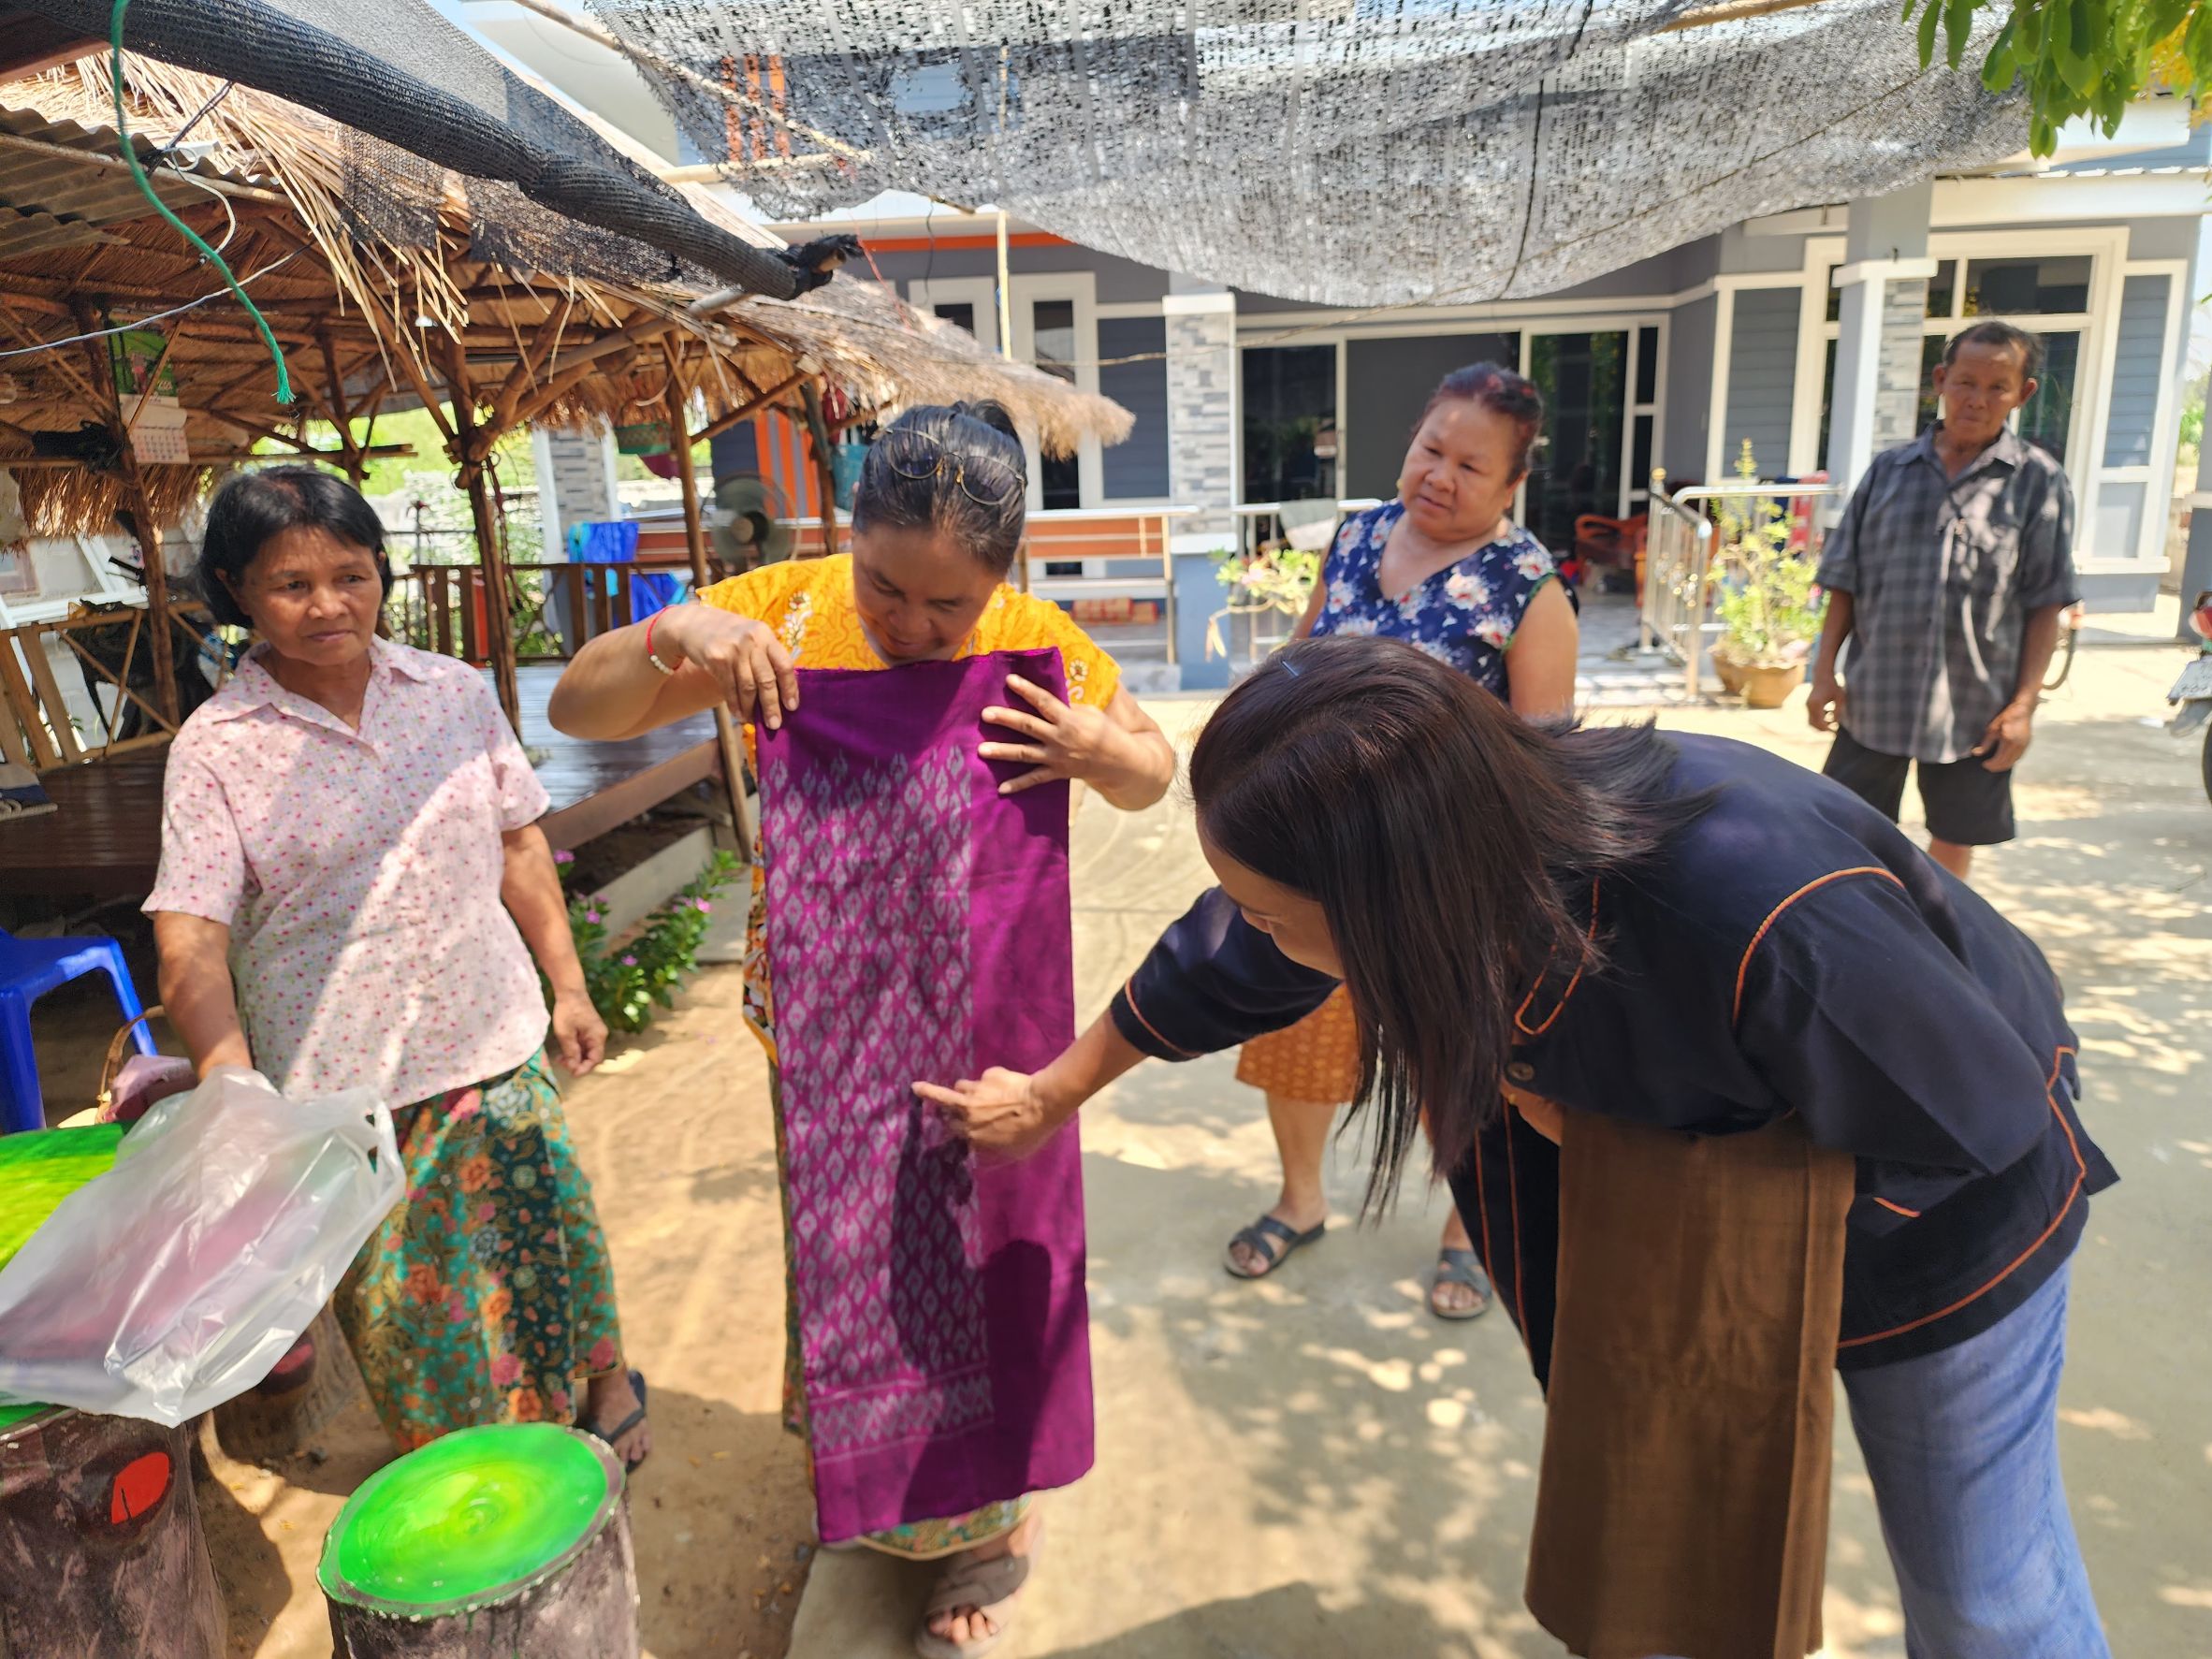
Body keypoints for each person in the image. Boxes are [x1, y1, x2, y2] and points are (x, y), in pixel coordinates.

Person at [924, 635, 2114, 1659]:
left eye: (1279, 917)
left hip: (1942, 1223)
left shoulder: (1758, 907)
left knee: (1982, 1594)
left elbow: (1976, 1125)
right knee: (1663, 1546)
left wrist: (1693, 1200)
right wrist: (1053, 1094)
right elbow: (1229, 958)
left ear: (1394, 902)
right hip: (1688, 1223)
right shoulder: (1421, 848)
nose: (1261, 935)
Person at [548, 401, 1175, 1658]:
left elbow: (1154, 772)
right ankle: (879, 1492)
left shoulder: (1032, 642)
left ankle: (988, 1532)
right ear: (850, 535)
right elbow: (579, 710)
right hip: (824, 1043)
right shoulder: (778, 618)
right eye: (886, 586)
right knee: (853, 1271)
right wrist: (677, 630)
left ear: (1001, 577)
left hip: (987, 1032)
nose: (913, 624)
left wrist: (1098, 747)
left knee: (981, 1273)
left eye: (950, 605)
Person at [147, 467, 650, 1471]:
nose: (329, 605)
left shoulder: (452, 693)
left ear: (381, 568)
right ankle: (467, 1472)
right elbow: (190, 938)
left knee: (550, 1243)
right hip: (345, 1094)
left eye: (351, 575)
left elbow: (518, 844)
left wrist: (570, 986)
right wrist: (232, 1084)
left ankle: (604, 1384)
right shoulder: (216, 749)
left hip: (494, 1042)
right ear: (237, 590)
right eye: (291, 585)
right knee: (409, 1318)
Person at [1225, 362, 1578, 1321]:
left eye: (1472, 466)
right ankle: (1302, 1199)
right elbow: (1301, 660)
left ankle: (1469, 1229)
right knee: (1295, 1031)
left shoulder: (1527, 587)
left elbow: (1545, 759)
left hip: (1442, 879)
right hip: (1317, 859)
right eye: (1431, 449)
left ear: (1512, 485)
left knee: (1457, 1062)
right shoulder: (1357, 537)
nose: (1439, 476)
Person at [1809, 319, 2078, 882]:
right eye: (1965, 383)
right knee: (1847, 832)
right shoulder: (1889, 472)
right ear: (1940, 381)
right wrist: (1824, 673)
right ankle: (1868, 924)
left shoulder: (2038, 482)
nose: (1977, 400)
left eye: (1997, 387)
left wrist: (2023, 706)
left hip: (1976, 707)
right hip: (1875, 699)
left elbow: (2045, 603)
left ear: (2023, 394)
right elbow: (1844, 581)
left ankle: (1936, 927)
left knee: (1955, 840)